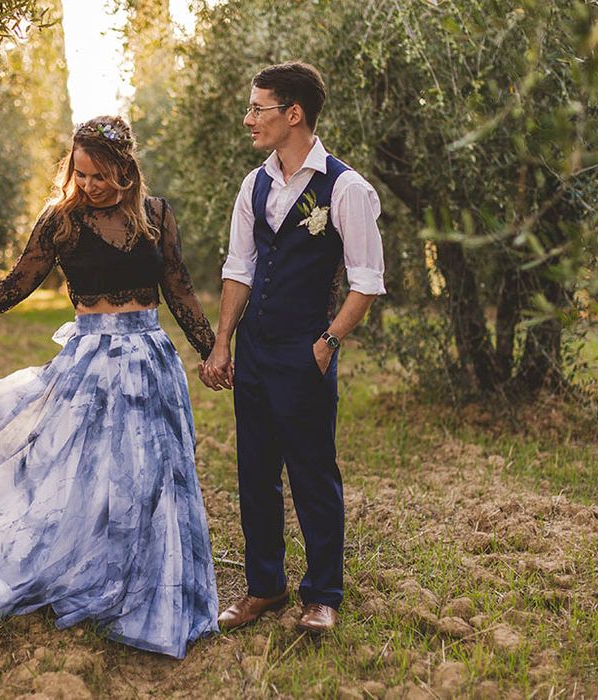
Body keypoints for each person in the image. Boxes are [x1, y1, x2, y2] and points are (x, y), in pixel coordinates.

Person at [0, 116, 219, 659]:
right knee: (89, 480)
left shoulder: (156, 216)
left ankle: (148, 588)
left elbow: (179, 289)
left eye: (98, 175)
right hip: (90, 367)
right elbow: (15, 286)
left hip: (152, 363)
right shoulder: (60, 221)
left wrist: (213, 351)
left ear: (125, 171)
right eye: (79, 173)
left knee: (153, 479)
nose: (87, 185)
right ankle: (92, 576)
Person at [200, 62, 385, 633]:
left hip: (306, 352)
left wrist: (327, 343)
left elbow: (367, 281)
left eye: (259, 108)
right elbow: (239, 268)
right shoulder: (253, 185)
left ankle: (323, 593)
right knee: (255, 473)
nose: (249, 118)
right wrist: (223, 342)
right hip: (254, 350)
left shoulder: (346, 188)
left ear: (294, 114)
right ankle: (265, 588)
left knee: (311, 473)